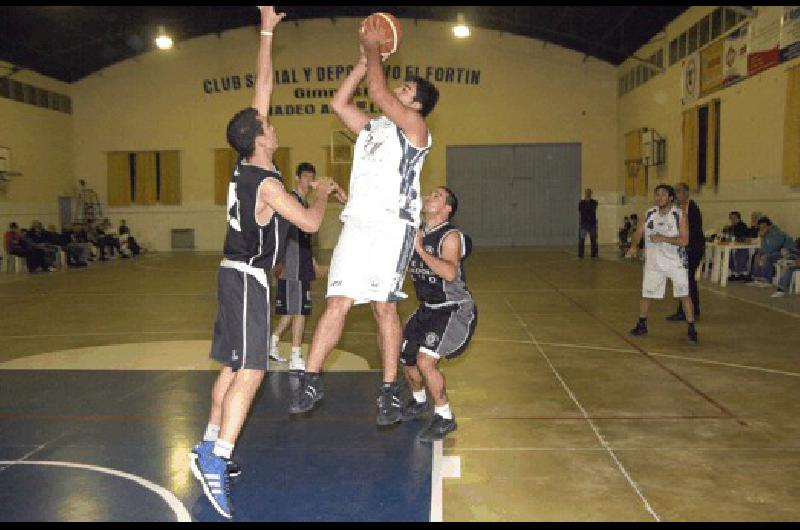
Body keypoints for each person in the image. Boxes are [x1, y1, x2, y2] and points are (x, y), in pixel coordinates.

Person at [189, 7, 345, 519]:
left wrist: (266, 32)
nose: (272, 122)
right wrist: (321, 193)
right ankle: (217, 459)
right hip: (248, 281)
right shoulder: (271, 184)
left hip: (232, 274)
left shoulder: (246, 162)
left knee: (234, 365)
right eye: (268, 124)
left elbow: (263, 84)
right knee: (253, 371)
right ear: (260, 138)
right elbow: (306, 224)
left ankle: (208, 442)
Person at [289, 16, 439, 425]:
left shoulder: (415, 128)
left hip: (393, 226)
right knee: (335, 302)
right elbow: (339, 104)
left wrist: (375, 47)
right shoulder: (374, 127)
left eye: (405, 89)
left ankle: (389, 391)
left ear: (417, 105)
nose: (396, 90)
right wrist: (362, 59)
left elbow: (376, 88)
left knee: (382, 308)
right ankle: (311, 379)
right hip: (357, 222)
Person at [399, 187, 477, 442]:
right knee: (406, 355)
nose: (430, 197)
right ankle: (420, 401)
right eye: (429, 194)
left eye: (438, 196)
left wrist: (420, 250)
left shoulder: (450, 236)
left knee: (425, 361)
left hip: (452, 308)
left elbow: (450, 274)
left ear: (447, 209)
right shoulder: (417, 231)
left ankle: (445, 416)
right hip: (427, 308)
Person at [269, 162, 327, 371]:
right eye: (305, 177)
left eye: (311, 177)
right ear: (297, 178)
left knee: (292, 309)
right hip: (292, 264)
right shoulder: (292, 200)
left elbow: (304, 234)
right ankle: (295, 355)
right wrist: (281, 261)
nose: (308, 181)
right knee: (300, 310)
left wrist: (310, 259)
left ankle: (273, 342)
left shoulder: (302, 202)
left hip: (300, 261)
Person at [626, 184, 698, 345]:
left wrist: (663, 238)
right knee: (646, 294)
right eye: (657, 194)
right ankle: (642, 324)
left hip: (676, 262)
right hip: (654, 262)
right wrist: (634, 246)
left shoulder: (680, 215)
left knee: (684, 294)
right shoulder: (649, 213)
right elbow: (638, 232)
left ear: (671, 197)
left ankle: (691, 328)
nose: (659, 197)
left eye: (663, 194)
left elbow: (684, 241)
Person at [665, 182, 704, 321]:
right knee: (687, 279)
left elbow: (694, 230)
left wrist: (684, 242)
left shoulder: (692, 208)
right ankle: (693, 309)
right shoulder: (676, 209)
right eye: (675, 191)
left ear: (686, 193)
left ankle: (685, 311)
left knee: (686, 279)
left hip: (693, 249)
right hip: (682, 249)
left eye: (679, 191)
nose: (676, 194)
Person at [747, 217, 795, 287]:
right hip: (779, 251)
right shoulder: (767, 234)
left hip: (789, 252)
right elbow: (765, 249)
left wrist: (763, 237)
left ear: (770, 226)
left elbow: (770, 249)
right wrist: (760, 251)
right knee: (758, 255)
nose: (762, 229)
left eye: (764, 227)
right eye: (761, 228)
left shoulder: (777, 233)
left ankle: (766, 280)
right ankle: (757, 278)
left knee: (767, 257)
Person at [725, 211, 751, 281]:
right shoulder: (731, 227)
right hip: (733, 246)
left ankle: (738, 272)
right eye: (731, 218)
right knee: (727, 252)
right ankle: (733, 271)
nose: (732, 220)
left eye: (734, 218)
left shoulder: (742, 226)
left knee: (736, 252)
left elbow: (743, 237)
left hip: (742, 247)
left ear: (738, 218)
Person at [577, 188, 598, 259]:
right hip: (584, 223)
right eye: (587, 192)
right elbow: (581, 211)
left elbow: (592, 210)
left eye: (589, 192)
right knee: (581, 240)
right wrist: (587, 207)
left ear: (591, 194)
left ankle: (593, 255)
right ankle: (580, 255)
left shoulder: (594, 202)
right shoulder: (581, 203)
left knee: (593, 240)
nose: (588, 194)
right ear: (585, 193)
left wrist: (587, 208)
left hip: (592, 224)